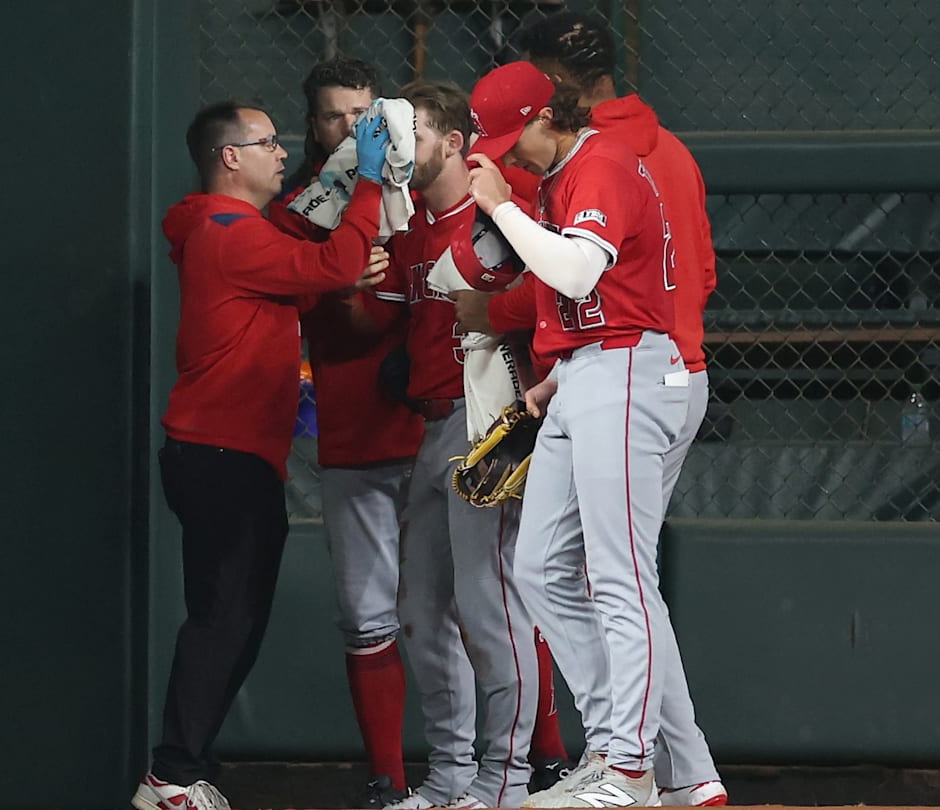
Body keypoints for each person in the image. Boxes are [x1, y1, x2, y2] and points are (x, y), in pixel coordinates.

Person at [466, 12, 727, 804]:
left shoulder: (603, 164)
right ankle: (666, 766)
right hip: (592, 369)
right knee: (540, 566)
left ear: (550, 109)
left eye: (511, 146)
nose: (504, 164)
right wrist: (559, 374)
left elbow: (581, 273)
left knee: (620, 577)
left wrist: (502, 211)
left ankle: (628, 764)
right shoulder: (575, 171)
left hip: (636, 370)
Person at [131, 100, 393, 810]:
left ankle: (183, 772)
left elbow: (307, 276)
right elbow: (332, 257)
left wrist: (338, 268)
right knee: (224, 620)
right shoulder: (226, 231)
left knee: (233, 620)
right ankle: (171, 777)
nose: (281, 151)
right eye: (266, 141)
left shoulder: (238, 231)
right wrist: (367, 181)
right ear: (229, 158)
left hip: (229, 455)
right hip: (222, 455)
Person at [356, 80, 546, 810]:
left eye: (413, 134)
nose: (401, 146)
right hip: (434, 427)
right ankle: (450, 782)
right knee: (420, 607)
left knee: (487, 604)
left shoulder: (495, 215)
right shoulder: (409, 230)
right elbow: (382, 322)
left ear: (454, 144)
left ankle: (505, 783)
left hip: (495, 426)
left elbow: (553, 302)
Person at [267, 58, 424, 809]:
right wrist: (336, 275)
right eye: (336, 116)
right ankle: (388, 782)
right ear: (313, 125)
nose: (352, 129)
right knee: (368, 617)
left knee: (476, 608)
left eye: (365, 113)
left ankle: (524, 768)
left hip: (436, 429)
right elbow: (321, 315)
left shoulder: (423, 191)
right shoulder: (299, 210)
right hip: (354, 437)